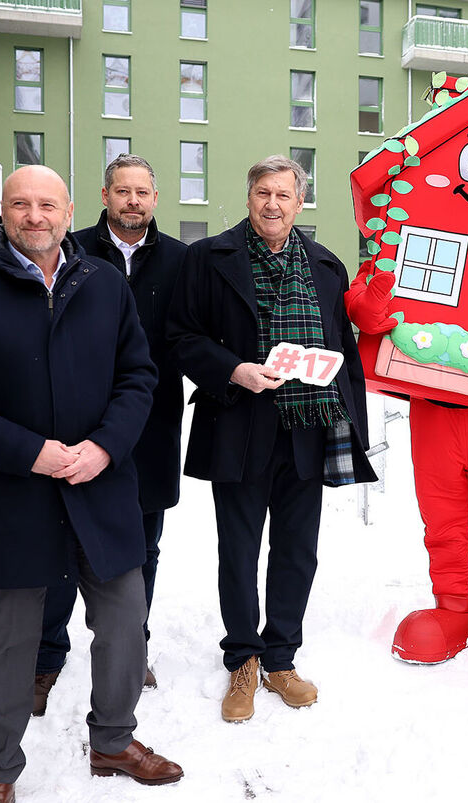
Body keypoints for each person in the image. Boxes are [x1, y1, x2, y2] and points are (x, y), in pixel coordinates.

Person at [0, 165, 183, 802]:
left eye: (47, 205)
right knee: (8, 639)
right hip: (9, 492)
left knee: (122, 619)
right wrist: (29, 452)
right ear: (4, 210)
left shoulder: (105, 286)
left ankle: (113, 740)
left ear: (69, 210)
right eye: (20, 203)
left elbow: (139, 377)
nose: (35, 216)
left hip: (99, 484)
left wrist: (105, 447)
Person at [167, 155, 376, 723]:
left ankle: (281, 656)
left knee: (296, 550)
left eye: (284, 194)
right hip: (239, 424)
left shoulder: (328, 267)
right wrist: (234, 370)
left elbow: (346, 355)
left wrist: (350, 424)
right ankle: (243, 660)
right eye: (263, 192)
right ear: (249, 195)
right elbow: (180, 337)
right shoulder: (208, 259)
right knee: (238, 549)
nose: (273, 204)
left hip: (307, 430)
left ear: (300, 202)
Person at [32, 154, 188, 714]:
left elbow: (190, 337)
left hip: (150, 429)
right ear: (104, 195)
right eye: (122, 191)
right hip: (74, 428)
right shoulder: (69, 251)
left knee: (142, 547)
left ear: (155, 198)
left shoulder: (180, 261)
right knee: (60, 548)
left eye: (142, 192)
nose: (133, 201)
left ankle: (130, 646)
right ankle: (46, 658)